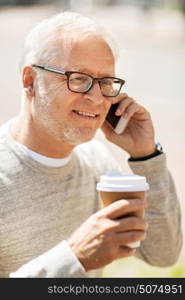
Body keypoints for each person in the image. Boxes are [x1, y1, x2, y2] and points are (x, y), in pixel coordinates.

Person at [0, 11, 182, 278]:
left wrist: (146, 156)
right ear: (30, 81)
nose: (97, 99)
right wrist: (74, 258)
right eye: (79, 79)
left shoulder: (96, 162)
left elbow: (163, 254)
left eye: (106, 82)